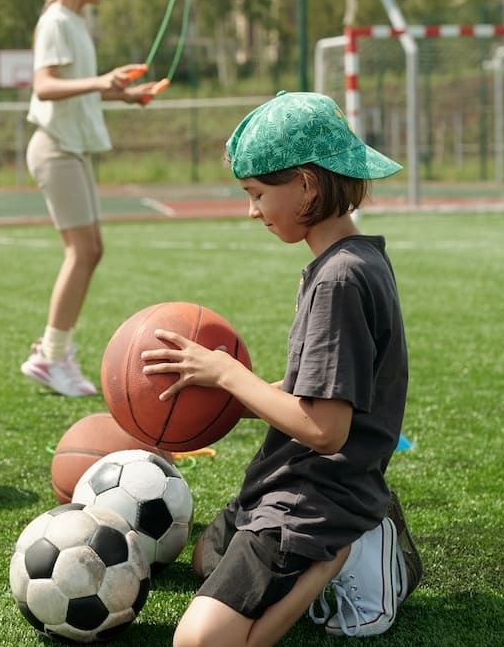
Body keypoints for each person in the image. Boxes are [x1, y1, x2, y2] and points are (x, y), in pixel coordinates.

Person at [139, 92, 423, 646]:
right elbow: (311, 393)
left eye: (257, 193)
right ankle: (349, 534)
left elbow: (326, 429)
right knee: (206, 560)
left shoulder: (340, 279)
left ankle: (340, 553)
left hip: (318, 495)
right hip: (290, 474)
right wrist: (206, 404)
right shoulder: (350, 259)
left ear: (307, 186)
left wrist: (226, 373)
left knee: (198, 642)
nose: (252, 211)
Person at [20, 0, 161, 397]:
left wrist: (125, 95)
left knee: (90, 250)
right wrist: (101, 82)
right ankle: (50, 355)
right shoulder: (55, 21)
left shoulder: (77, 23)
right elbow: (44, 86)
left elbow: (78, 92)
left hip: (72, 148)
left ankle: (54, 350)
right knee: (82, 251)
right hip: (55, 148)